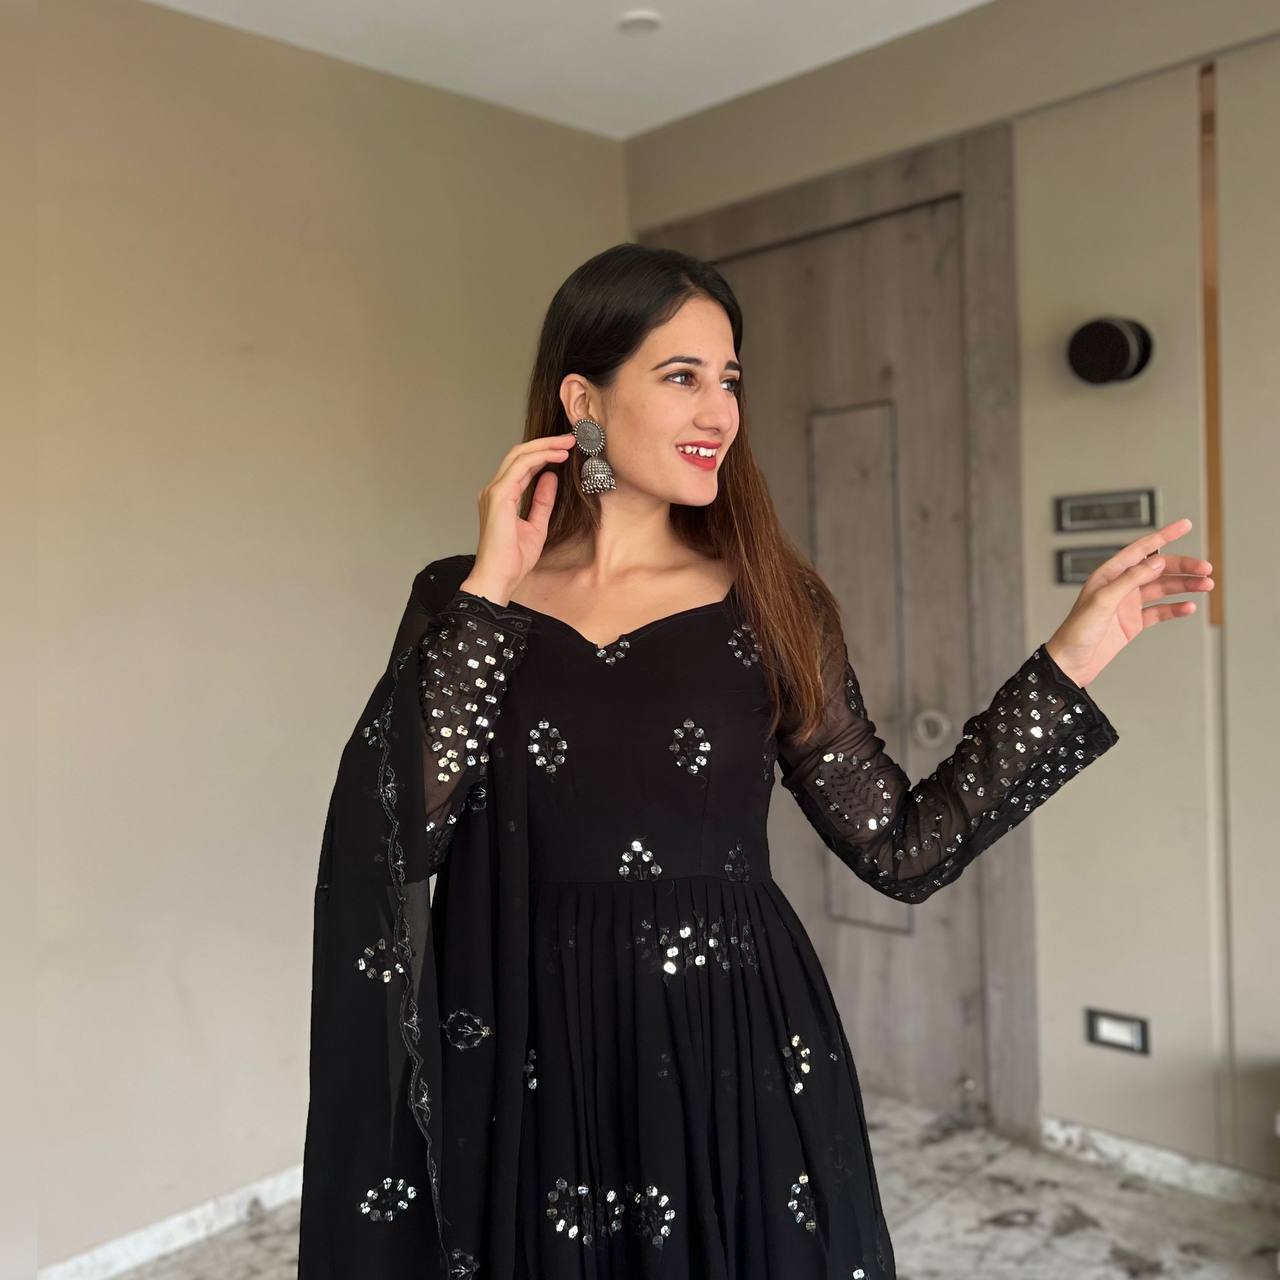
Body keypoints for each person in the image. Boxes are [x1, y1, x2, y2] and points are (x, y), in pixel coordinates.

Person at [296, 243, 1213, 1279]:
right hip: (521, 1055)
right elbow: (390, 837)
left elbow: (902, 846)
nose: (719, 412)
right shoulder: (465, 602)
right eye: (681, 376)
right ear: (582, 399)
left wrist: (1073, 657)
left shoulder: (772, 600)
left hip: (729, 1050)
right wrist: (489, 589)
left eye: (729, 379)